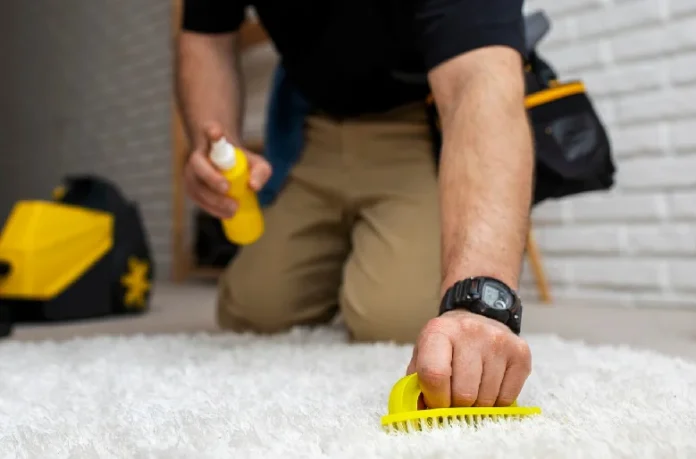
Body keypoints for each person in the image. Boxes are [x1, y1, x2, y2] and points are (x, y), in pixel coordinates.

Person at [175, 0, 535, 411]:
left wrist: (479, 302)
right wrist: (215, 145)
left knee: (390, 318)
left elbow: (478, 79)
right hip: (311, 128)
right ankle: (358, 247)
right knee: (251, 308)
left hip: (418, 125)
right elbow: (206, 39)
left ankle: (381, 249)